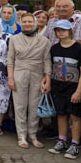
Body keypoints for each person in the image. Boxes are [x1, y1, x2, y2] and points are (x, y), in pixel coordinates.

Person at [44, 20, 81, 159]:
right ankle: (62, 140)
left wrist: (79, 91)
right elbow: (51, 67)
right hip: (58, 85)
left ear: (70, 31)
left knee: (75, 115)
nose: (60, 32)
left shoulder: (79, 48)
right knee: (61, 114)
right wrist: (48, 82)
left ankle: (75, 144)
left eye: (63, 30)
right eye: (58, 30)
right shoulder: (54, 48)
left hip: (74, 86)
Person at [7, 12, 51, 148]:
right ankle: (21, 135)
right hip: (19, 73)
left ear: (35, 23)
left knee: (34, 105)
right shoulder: (14, 39)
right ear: (20, 23)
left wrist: (47, 78)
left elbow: (47, 61)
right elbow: (10, 60)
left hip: (37, 74)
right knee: (20, 105)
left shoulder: (44, 41)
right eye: (24, 22)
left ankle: (33, 134)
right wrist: (10, 78)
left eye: (30, 21)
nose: (27, 24)